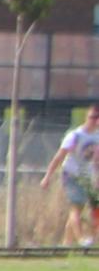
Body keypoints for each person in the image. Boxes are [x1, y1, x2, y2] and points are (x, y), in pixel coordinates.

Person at [55, 105, 99, 250]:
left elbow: (96, 161)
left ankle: (66, 244)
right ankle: (81, 239)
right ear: (87, 117)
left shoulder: (97, 136)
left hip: (86, 176)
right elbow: (60, 155)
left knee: (87, 208)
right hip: (71, 174)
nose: (95, 120)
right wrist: (48, 176)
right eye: (92, 117)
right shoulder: (75, 135)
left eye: (97, 118)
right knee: (77, 207)